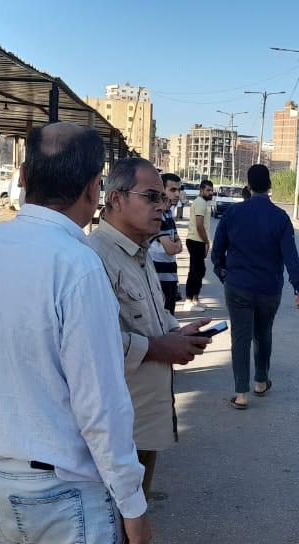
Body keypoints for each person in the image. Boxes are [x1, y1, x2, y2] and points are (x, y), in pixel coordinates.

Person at [0, 122, 152, 544]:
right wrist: (132, 502)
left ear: (23, 176)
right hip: (62, 489)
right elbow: (100, 403)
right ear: (94, 188)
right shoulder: (79, 266)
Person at [89, 158, 212, 509]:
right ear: (115, 198)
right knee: (114, 526)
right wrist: (158, 348)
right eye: (152, 197)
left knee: (131, 519)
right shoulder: (94, 259)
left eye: (165, 197)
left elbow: (149, 319)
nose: (164, 205)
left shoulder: (138, 254)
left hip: (143, 424)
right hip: (114, 433)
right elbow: (88, 346)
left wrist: (177, 334)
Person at [210, 164, 299, 410]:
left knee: (240, 337)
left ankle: (241, 394)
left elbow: (217, 250)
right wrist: (298, 288)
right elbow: (291, 256)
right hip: (269, 289)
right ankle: (261, 382)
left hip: (238, 285)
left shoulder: (233, 213)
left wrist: (222, 273)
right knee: (263, 334)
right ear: (269, 185)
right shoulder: (280, 217)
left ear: (248, 185)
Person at [149, 173, 184, 314]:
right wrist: (175, 244)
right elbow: (171, 249)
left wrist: (175, 244)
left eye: (179, 190)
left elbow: (179, 245)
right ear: (161, 190)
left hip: (170, 276)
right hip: (158, 278)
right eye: (173, 190)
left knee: (170, 318)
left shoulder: (168, 213)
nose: (177, 194)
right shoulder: (157, 214)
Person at [183, 179, 215, 312]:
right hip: (196, 241)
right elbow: (199, 225)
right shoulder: (200, 202)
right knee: (195, 272)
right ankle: (188, 301)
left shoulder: (202, 202)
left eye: (211, 190)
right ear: (201, 190)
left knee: (200, 271)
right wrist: (206, 241)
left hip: (198, 241)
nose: (210, 193)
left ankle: (195, 299)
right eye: (208, 190)